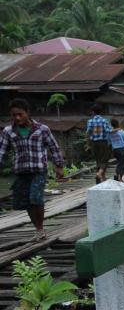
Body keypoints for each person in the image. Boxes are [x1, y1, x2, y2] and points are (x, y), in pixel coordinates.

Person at [0, 98, 65, 241]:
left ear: (27, 113)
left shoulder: (42, 129)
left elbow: (53, 147)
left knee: (36, 198)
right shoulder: (8, 131)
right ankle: (38, 229)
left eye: (20, 114)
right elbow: (2, 151)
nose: (17, 118)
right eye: (14, 115)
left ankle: (40, 227)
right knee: (27, 202)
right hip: (21, 171)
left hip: (38, 170)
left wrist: (59, 166)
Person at [86, 105, 112, 183]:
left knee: (98, 161)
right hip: (103, 142)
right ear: (101, 112)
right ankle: (100, 174)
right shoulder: (104, 120)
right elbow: (108, 130)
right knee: (105, 160)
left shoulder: (90, 121)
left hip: (94, 143)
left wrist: (88, 145)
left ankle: (99, 180)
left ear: (93, 112)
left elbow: (88, 133)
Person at [109, 118, 124, 183]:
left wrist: (111, 151)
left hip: (115, 149)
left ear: (112, 125)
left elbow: (109, 143)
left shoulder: (110, 132)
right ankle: (119, 177)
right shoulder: (121, 131)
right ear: (118, 123)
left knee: (119, 162)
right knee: (123, 162)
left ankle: (117, 175)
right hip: (121, 149)